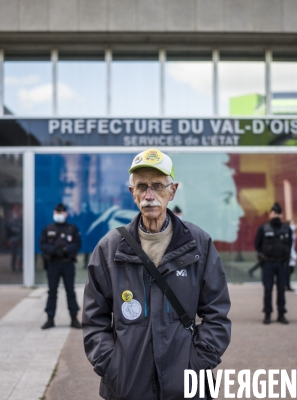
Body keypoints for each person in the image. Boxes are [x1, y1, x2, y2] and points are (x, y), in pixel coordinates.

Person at [82, 148, 231, 400]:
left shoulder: (199, 244)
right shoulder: (109, 247)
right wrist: (114, 368)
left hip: (186, 386)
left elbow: (217, 314)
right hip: (128, 387)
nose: (149, 195)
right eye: (142, 186)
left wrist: (196, 364)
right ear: (132, 193)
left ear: (172, 191)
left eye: (158, 186)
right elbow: (93, 319)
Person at [39, 203, 82, 329]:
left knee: (70, 291)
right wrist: (53, 250)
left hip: (67, 263)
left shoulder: (71, 228)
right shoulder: (48, 228)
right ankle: (50, 318)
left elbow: (77, 244)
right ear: (54, 214)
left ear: (66, 214)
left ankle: (74, 318)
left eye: (61, 213)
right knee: (52, 292)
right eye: (57, 213)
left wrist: (65, 250)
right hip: (53, 264)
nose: (59, 215)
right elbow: (42, 244)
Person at [255, 202, 293, 325]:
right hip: (268, 263)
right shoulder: (263, 228)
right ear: (270, 214)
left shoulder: (286, 229)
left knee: (282, 289)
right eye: (274, 213)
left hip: (282, 264)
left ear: (281, 215)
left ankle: (281, 314)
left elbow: (290, 244)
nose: (276, 215)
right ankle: (267, 314)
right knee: (268, 289)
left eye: (278, 213)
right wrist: (262, 257)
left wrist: (286, 257)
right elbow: (257, 244)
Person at [287, 221, 297, 291]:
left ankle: (286, 284)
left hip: (292, 252)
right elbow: (290, 246)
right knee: (289, 270)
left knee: (290, 270)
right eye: (292, 224)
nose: (294, 225)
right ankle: (287, 285)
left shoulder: (292, 233)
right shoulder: (288, 233)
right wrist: (293, 255)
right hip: (290, 253)